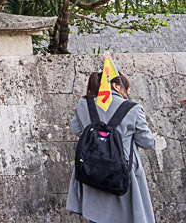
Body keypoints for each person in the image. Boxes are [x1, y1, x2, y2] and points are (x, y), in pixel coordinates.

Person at [66, 72, 156, 223]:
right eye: (127, 88)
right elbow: (147, 142)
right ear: (115, 86)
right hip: (122, 172)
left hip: (91, 170)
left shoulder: (84, 104)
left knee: (96, 215)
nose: (128, 93)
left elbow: (76, 129)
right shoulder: (133, 108)